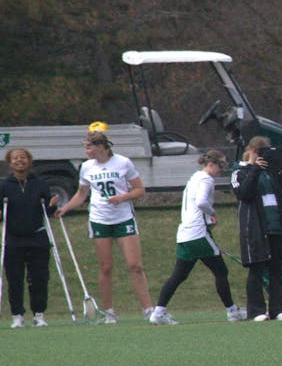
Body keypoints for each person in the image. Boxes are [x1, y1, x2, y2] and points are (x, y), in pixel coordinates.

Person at [55, 130, 153, 323]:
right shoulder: (86, 167)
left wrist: (122, 198)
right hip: (100, 220)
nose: (87, 151)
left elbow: (140, 190)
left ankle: (148, 310)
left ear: (100, 146)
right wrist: (65, 208)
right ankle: (109, 312)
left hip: (123, 218)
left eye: (89, 147)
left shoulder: (123, 162)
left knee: (135, 266)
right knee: (106, 267)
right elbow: (82, 194)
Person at [149, 151, 245, 325]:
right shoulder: (206, 180)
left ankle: (158, 312)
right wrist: (212, 214)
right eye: (221, 165)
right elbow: (201, 202)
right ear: (211, 164)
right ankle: (232, 312)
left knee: (179, 275)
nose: (222, 170)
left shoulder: (195, 177)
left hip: (185, 234)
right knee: (220, 271)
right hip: (198, 234)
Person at [231, 136, 282, 321]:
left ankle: (278, 308)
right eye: (259, 152)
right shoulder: (240, 171)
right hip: (256, 227)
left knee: (276, 269)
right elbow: (244, 192)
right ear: (251, 152)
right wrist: (254, 168)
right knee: (256, 269)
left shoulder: (273, 172)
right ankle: (256, 310)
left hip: (276, 226)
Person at [1, 148, 60, 328]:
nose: (20, 161)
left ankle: (39, 314)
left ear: (29, 161)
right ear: (10, 163)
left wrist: (52, 205)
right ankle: (17, 315)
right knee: (15, 278)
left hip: (37, 237)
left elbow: (48, 212)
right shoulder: (4, 185)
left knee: (40, 277)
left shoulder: (40, 184)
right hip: (13, 238)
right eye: (16, 158)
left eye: (23, 157)